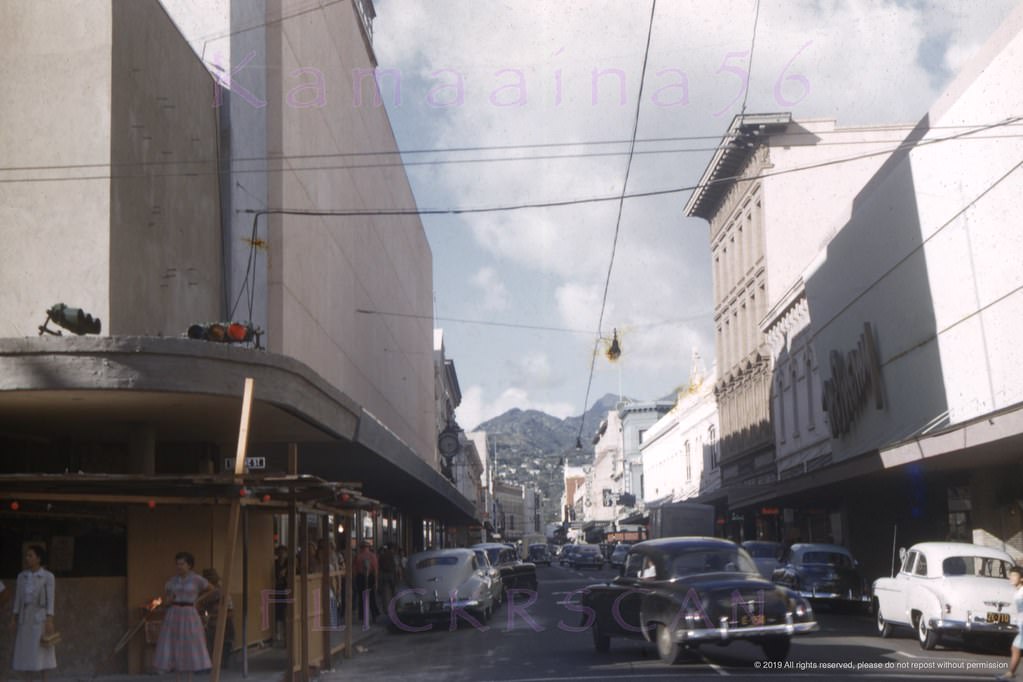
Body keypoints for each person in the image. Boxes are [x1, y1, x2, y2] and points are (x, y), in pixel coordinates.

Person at [153, 552, 213, 681]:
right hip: (174, 612)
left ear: (189, 565)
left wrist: (198, 600)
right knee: (175, 642)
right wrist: (167, 600)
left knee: (190, 643)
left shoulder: (197, 579)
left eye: (182, 564)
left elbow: (211, 589)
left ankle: (189, 678)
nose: (179, 566)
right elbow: (167, 597)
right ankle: (178, 678)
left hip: (189, 612)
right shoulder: (173, 581)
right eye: (177, 564)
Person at [11, 545, 56, 682]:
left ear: (38, 558)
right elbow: (18, 599)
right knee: (26, 651)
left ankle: (44, 680)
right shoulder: (22, 577)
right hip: (25, 618)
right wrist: (14, 618)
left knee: (43, 650)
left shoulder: (48, 577)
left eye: (30, 555)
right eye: (27, 555)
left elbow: (50, 599)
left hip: (40, 618)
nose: (27, 558)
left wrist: (49, 619)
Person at [199, 569, 234, 669]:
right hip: (211, 623)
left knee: (224, 644)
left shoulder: (221, 592)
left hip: (222, 621)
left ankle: (221, 663)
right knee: (213, 644)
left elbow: (230, 610)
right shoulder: (205, 594)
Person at [998, 565, 1023, 680]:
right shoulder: (1018, 593)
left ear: (1021, 578)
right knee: (1015, 648)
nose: (1011, 578)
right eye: (1011, 575)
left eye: (1014, 575)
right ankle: (1010, 673)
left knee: (1016, 648)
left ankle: (1010, 673)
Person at [353, 542, 379, 622]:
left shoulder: (358, 556)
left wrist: (354, 579)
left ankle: (362, 615)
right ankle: (374, 614)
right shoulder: (372, 556)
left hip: (360, 577)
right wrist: (376, 580)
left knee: (361, 597)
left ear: (361, 548)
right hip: (370, 577)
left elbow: (355, 569)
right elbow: (375, 569)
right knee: (371, 597)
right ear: (368, 547)